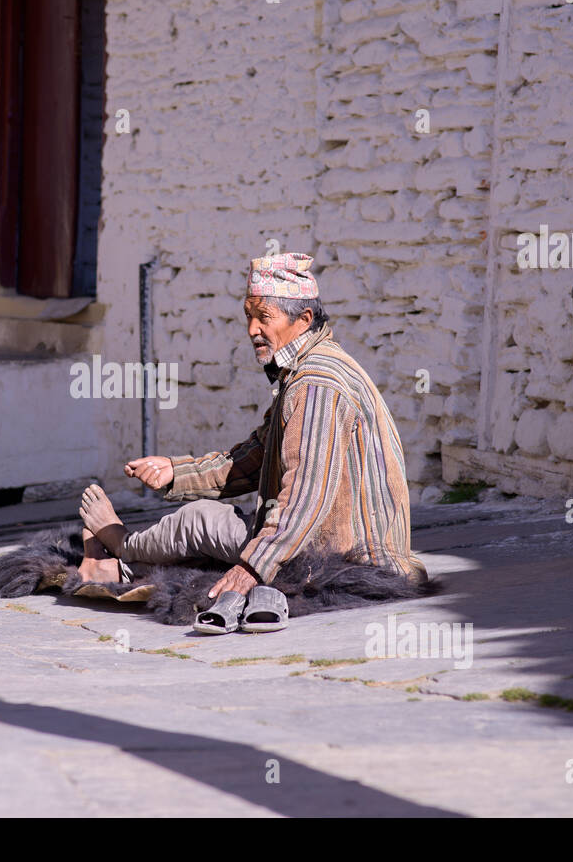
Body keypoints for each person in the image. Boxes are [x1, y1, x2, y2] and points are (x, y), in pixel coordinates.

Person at [76, 251, 428, 601]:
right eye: (248, 316)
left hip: (340, 560)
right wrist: (175, 472)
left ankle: (121, 543)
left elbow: (304, 499)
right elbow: (253, 457)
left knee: (198, 521)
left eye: (264, 317)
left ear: (303, 319)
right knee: (214, 540)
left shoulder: (316, 383)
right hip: (328, 547)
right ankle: (115, 567)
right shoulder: (308, 371)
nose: (252, 329)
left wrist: (253, 567)